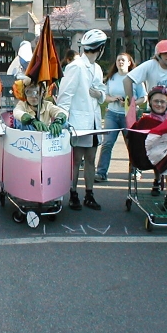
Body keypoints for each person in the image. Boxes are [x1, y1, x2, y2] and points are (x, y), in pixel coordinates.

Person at [56, 29, 108, 211]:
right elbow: (65, 95)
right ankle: (73, 194)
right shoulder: (76, 67)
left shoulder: (97, 68)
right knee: (76, 160)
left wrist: (99, 94)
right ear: (100, 48)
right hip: (78, 121)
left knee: (91, 158)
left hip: (93, 121)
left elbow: (102, 90)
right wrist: (62, 119)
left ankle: (89, 194)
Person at [95, 53, 147, 183]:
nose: (120, 62)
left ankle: (135, 170)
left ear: (129, 62)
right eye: (118, 60)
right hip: (112, 114)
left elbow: (144, 97)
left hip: (128, 115)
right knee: (107, 143)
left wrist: (131, 103)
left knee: (132, 144)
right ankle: (101, 172)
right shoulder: (111, 78)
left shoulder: (135, 78)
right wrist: (112, 99)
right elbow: (104, 96)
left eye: (123, 60)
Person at [143, 86, 167, 208]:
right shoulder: (145, 120)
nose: (159, 104)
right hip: (147, 155)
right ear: (150, 102)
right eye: (156, 101)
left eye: (162, 101)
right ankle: (157, 179)